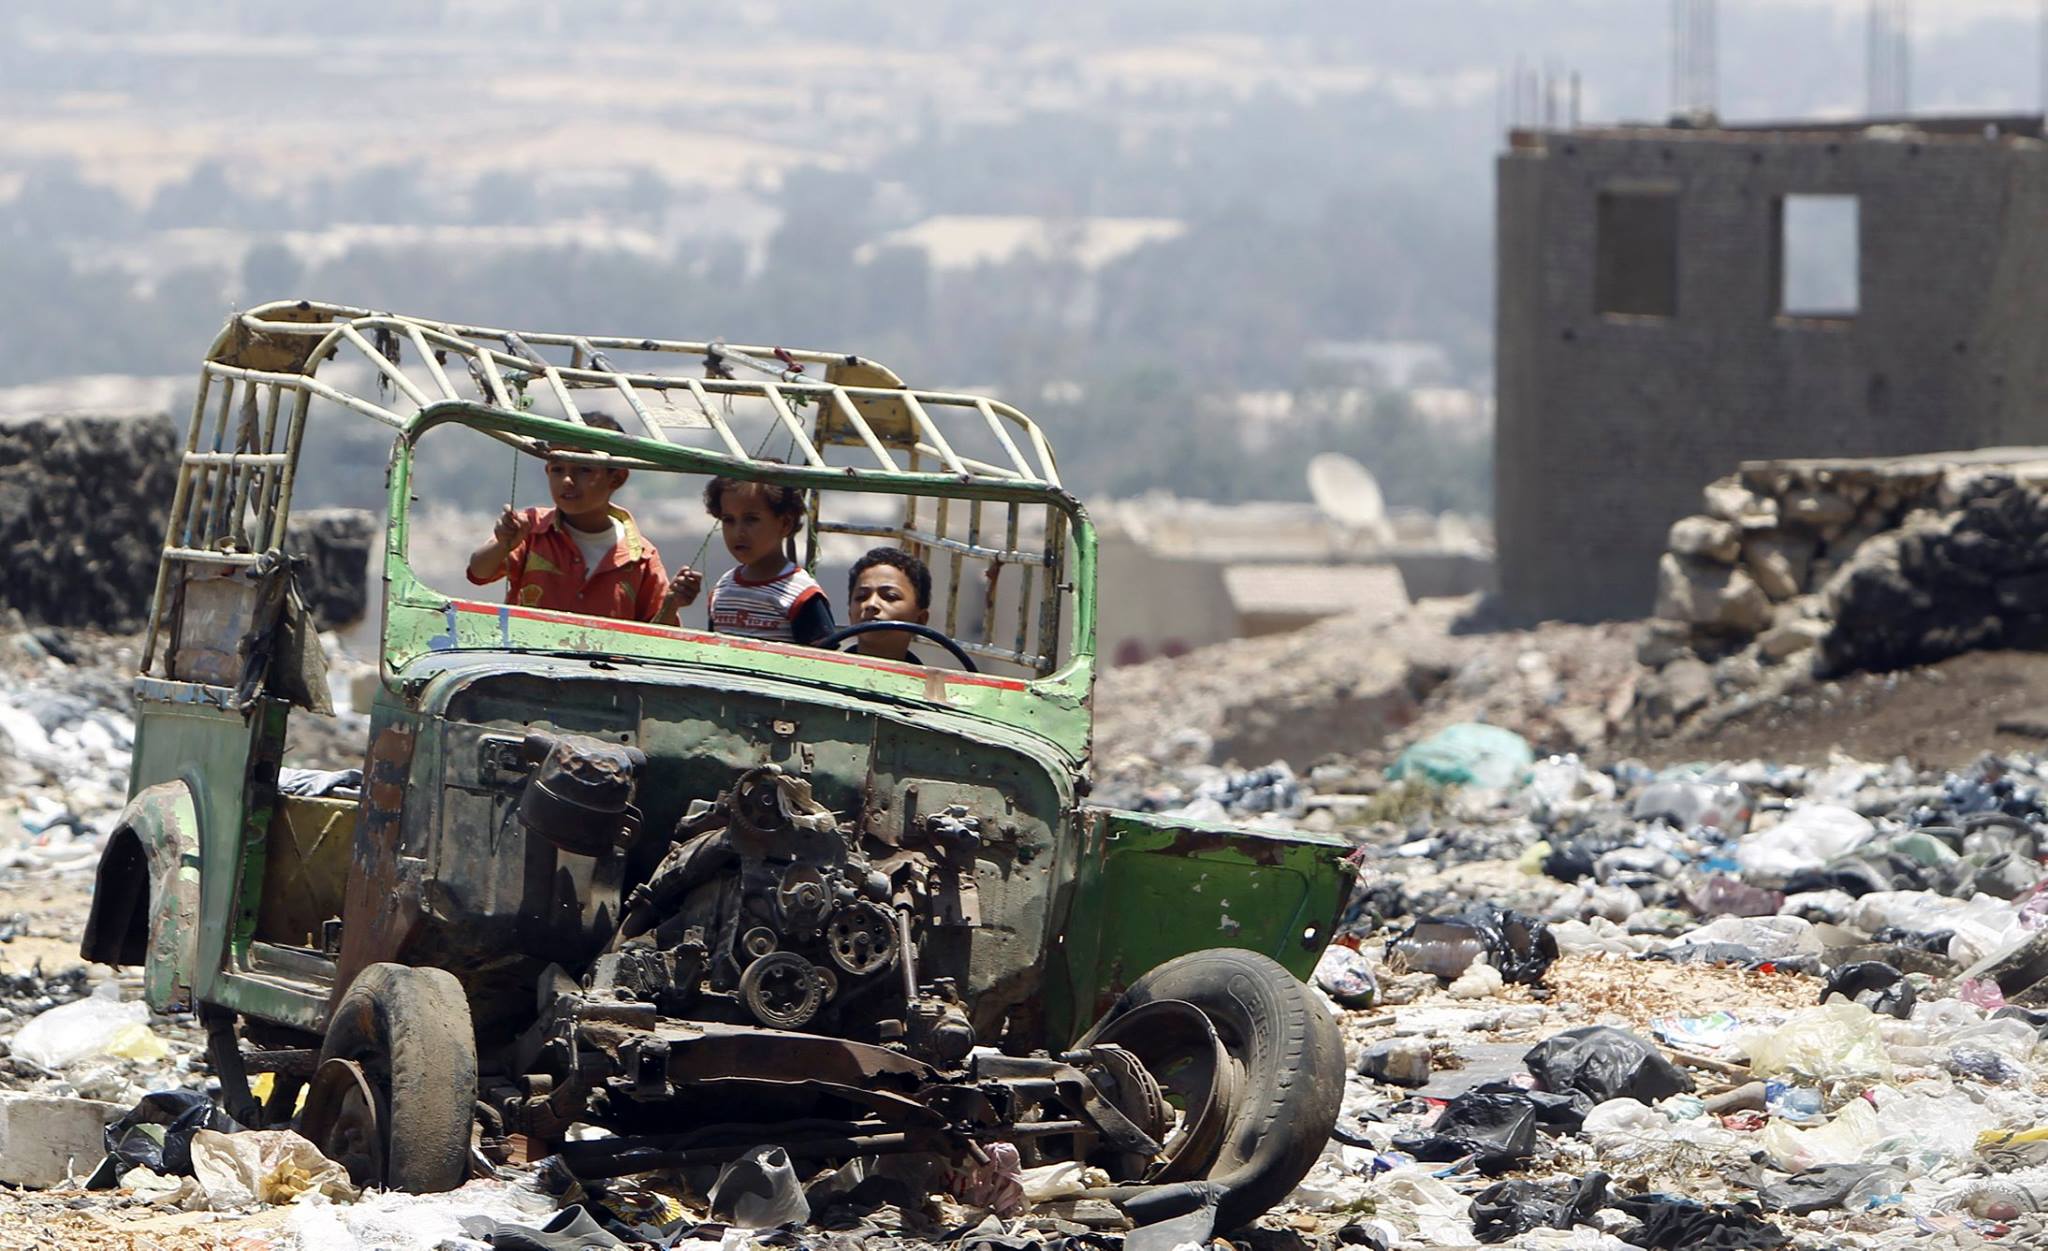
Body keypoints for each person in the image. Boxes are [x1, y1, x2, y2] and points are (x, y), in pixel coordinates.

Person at [465, 413, 697, 622]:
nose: (567, 480)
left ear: (616, 479)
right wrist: (503, 544)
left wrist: (673, 603)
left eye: (584, 470)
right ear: (547, 472)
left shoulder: (641, 557)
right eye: (558, 470)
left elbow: (657, 638)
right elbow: (478, 572)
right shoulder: (531, 527)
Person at [671, 475, 834, 644]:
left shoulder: (802, 595)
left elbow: (823, 660)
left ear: (785, 523)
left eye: (751, 519)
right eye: (729, 520)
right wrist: (672, 603)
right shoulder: (723, 590)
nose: (737, 532)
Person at [846, 546, 932, 664]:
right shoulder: (822, 674)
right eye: (861, 597)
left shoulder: (933, 681)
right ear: (850, 613)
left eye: (890, 597)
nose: (871, 604)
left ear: (920, 619)